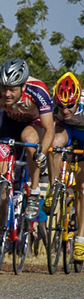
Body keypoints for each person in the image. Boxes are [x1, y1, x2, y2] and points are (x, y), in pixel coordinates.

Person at [0, 58, 54, 218]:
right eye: (4, 88)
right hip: (10, 123)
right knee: (2, 176)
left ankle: (33, 192)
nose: (7, 94)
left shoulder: (38, 90)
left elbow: (49, 128)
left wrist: (42, 153)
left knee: (28, 139)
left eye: (12, 90)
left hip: (35, 123)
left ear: (23, 86)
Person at [48, 72, 84, 261]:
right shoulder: (56, 107)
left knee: (83, 187)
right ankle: (53, 188)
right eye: (61, 106)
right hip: (67, 130)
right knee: (52, 145)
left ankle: (80, 240)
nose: (66, 110)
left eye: (70, 105)